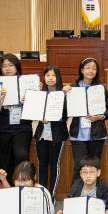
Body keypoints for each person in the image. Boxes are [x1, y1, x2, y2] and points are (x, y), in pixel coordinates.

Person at [66, 57, 108, 183]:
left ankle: (94, 198)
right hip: (78, 134)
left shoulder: (100, 88)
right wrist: (64, 94)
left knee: (94, 168)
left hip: (96, 134)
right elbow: (64, 110)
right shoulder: (72, 87)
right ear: (81, 70)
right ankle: (75, 197)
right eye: (87, 68)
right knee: (79, 167)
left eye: (94, 68)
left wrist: (100, 116)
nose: (91, 71)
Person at [0, 53, 34, 180]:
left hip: (21, 126)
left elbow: (35, 110)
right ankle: (7, 188)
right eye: (4, 66)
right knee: (4, 160)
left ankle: (23, 182)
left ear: (17, 67)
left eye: (11, 65)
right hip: (2, 126)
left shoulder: (27, 83)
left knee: (21, 154)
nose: (7, 68)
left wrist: (31, 97)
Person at [33, 65, 69, 195]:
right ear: (44, 77)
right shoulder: (39, 94)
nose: (51, 78)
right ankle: (42, 195)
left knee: (54, 165)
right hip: (41, 134)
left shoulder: (64, 94)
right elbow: (32, 112)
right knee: (42, 165)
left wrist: (53, 117)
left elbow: (66, 115)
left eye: (54, 75)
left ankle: (51, 195)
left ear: (58, 77)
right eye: (48, 75)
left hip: (57, 134)